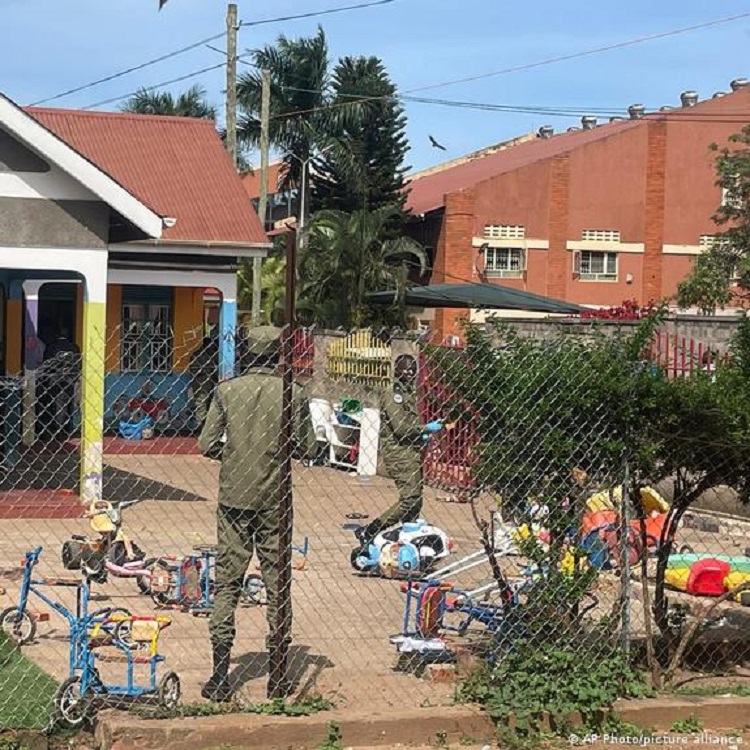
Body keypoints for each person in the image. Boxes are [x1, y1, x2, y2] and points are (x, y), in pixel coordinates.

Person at [198, 325, 314, 702]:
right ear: (278, 354)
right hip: (274, 498)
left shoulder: (227, 391)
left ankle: (220, 675)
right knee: (277, 581)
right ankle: (277, 674)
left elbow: (206, 443)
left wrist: (234, 457)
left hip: (235, 495)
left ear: (246, 354)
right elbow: (308, 447)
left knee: (227, 582)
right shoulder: (292, 392)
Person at [355, 354, 452, 547]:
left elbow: (409, 423)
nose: (410, 372)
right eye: (405, 369)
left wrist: (422, 435)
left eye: (413, 369)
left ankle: (408, 535)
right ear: (396, 369)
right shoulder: (393, 393)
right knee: (410, 499)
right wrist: (426, 429)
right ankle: (371, 530)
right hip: (399, 452)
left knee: (416, 501)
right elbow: (400, 428)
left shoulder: (407, 392)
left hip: (410, 450)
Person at [188, 334, 219, 428]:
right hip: (203, 382)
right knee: (202, 404)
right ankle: (201, 425)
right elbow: (193, 369)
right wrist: (207, 371)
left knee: (204, 404)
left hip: (207, 382)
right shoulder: (201, 355)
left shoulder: (211, 354)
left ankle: (203, 424)